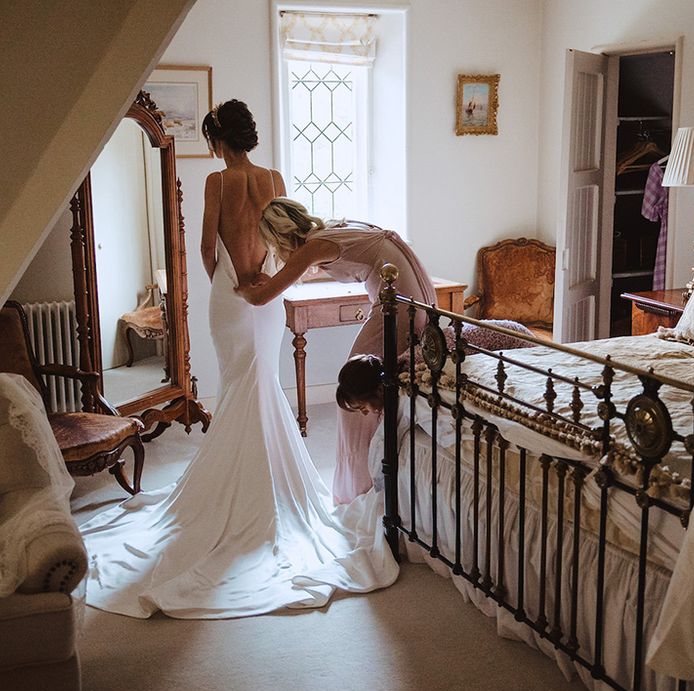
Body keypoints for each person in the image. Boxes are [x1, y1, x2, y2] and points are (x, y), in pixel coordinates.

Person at [78, 99, 398, 619]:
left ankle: (239, 491)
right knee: (262, 381)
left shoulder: (216, 183)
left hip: (232, 295)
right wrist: (265, 280)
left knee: (237, 385)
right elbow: (287, 238)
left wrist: (225, 285)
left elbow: (207, 247)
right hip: (269, 294)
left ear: (217, 141)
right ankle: (269, 483)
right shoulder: (272, 178)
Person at [236, 198, 436, 504]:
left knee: (352, 392)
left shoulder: (314, 248)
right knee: (378, 385)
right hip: (413, 300)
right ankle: (381, 471)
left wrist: (240, 285)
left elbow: (262, 297)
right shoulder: (333, 231)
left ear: (278, 237)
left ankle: (358, 490)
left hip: (399, 308)